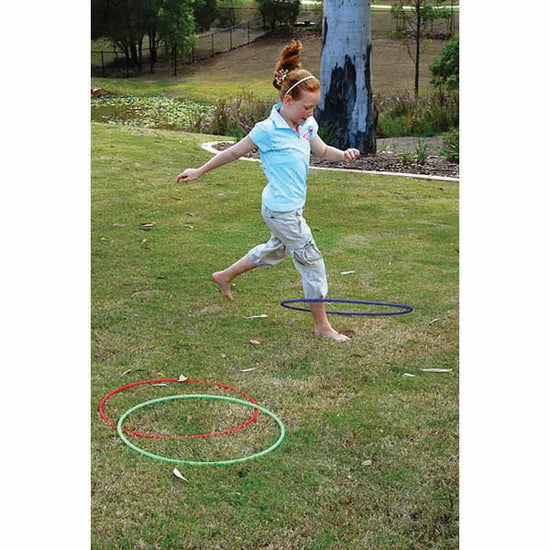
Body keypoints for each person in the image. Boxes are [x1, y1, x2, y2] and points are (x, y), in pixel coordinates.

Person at [176, 39, 360, 342]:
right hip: (281, 210)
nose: (310, 112)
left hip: (288, 207)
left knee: (277, 249)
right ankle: (322, 326)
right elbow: (233, 152)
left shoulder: (306, 125)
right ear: (287, 100)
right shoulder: (267, 130)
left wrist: (345, 155)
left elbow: (324, 150)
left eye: (313, 107)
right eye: (306, 107)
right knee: (312, 261)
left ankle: (224, 276)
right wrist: (199, 171)